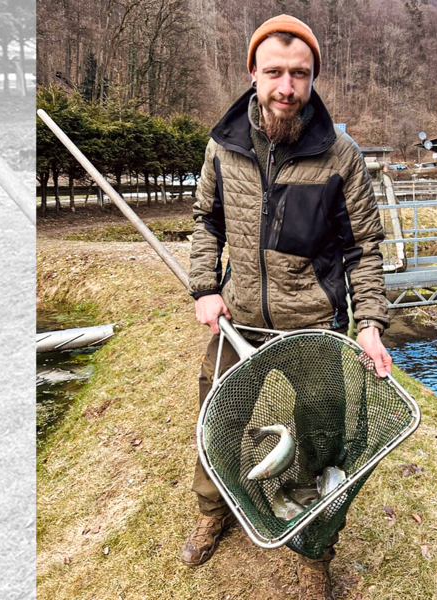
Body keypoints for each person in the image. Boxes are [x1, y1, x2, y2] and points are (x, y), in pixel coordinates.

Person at [184, 14, 392, 600]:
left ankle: (313, 547)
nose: (286, 86)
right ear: (252, 72)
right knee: (217, 421)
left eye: (299, 74)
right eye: (273, 71)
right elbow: (207, 220)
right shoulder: (223, 146)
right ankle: (213, 510)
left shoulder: (340, 156)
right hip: (239, 317)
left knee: (320, 438)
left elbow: (363, 249)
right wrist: (205, 287)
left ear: (312, 79)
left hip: (314, 325)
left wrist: (370, 324)